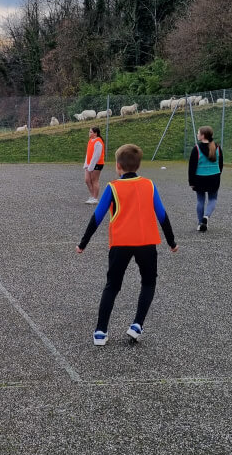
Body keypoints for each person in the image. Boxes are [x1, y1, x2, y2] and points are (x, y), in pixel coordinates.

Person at [76, 143, 178, 346]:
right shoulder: (149, 185)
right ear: (138, 166)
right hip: (146, 242)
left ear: (118, 166)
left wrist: (83, 243)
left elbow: (97, 216)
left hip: (120, 243)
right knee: (148, 283)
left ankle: (100, 331)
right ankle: (137, 325)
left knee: (112, 286)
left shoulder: (113, 187)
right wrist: (171, 241)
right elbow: (162, 215)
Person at [188, 125, 223, 232]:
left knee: (200, 200)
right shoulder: (217, 147)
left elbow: (192, 167)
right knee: (213, 199)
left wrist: (191, 182)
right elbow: (220, 164)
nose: (197, 134)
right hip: (214, 177)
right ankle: (206, 216)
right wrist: (217, 175)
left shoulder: (196, 148)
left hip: (200, 178)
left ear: (203, 136)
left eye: (198, 133)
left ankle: (200, 223)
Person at [83, 125, 105, 204]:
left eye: (91, 132)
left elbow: (96, 156)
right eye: (89, 132)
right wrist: (86, 164)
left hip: (97, 164)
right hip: (89, 164)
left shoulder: (98, 142)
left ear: (95, 133)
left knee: (94, 180)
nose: (89, 133)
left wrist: (91, 167)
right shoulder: (90, 141)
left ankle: (95, 198)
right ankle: (92, 196)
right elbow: (88, 153)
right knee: (87, 180)